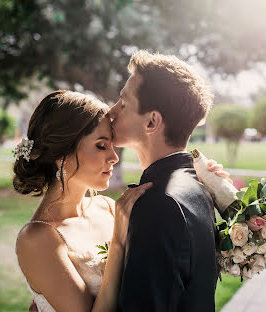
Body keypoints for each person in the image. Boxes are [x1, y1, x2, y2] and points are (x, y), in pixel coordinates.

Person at [14, 89, 227, 311]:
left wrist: (199, 183)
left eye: (112, 145)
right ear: (61, 154)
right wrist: (117, 242)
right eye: (101, 145)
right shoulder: (37, 238)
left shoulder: (106, 207)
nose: (114, 157)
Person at [108, 50, 219, 311]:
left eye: (123, 104)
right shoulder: (198, 188)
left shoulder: (158, 205)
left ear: (151, 122)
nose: (111, 112)